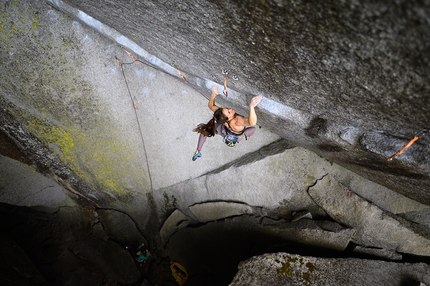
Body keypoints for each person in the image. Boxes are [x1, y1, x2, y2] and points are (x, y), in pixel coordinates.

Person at [192, 84, 263, 161]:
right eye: (229, 112)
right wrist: (251, 107)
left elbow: (211, 106)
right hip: (232, 134)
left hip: (224, 130)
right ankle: (198, 151)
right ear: (226, 120)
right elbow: (252, 122)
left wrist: (213, 94)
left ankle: (198, 151)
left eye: (227, 108)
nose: (231, 109)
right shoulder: (236, 121)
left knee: (206, 130)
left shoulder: (222, 115)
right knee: (253, 129)